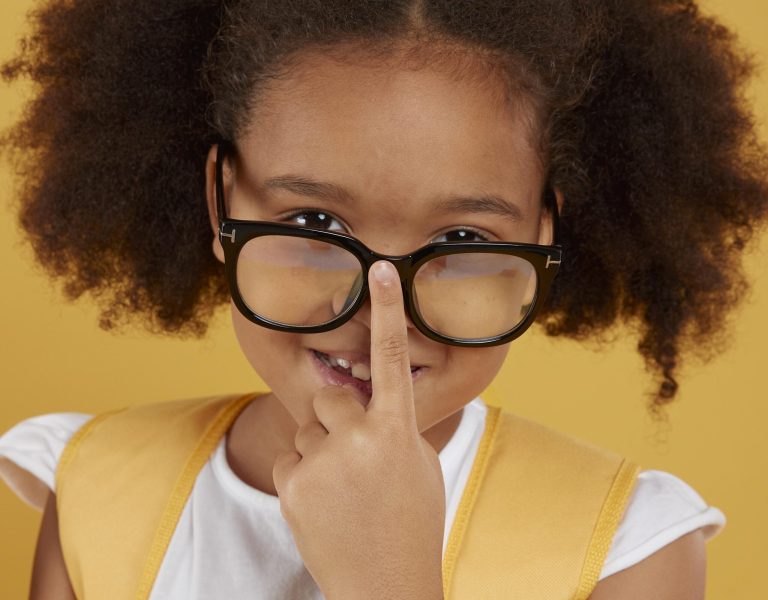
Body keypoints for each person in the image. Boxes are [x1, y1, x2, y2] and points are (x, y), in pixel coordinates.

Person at [1, 0, 766, 598]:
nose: (381, 310)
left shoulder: (626, 545)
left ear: (544, 230)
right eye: (313, 222)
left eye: (463, 241)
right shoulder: (98, 487)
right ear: (220, 203)